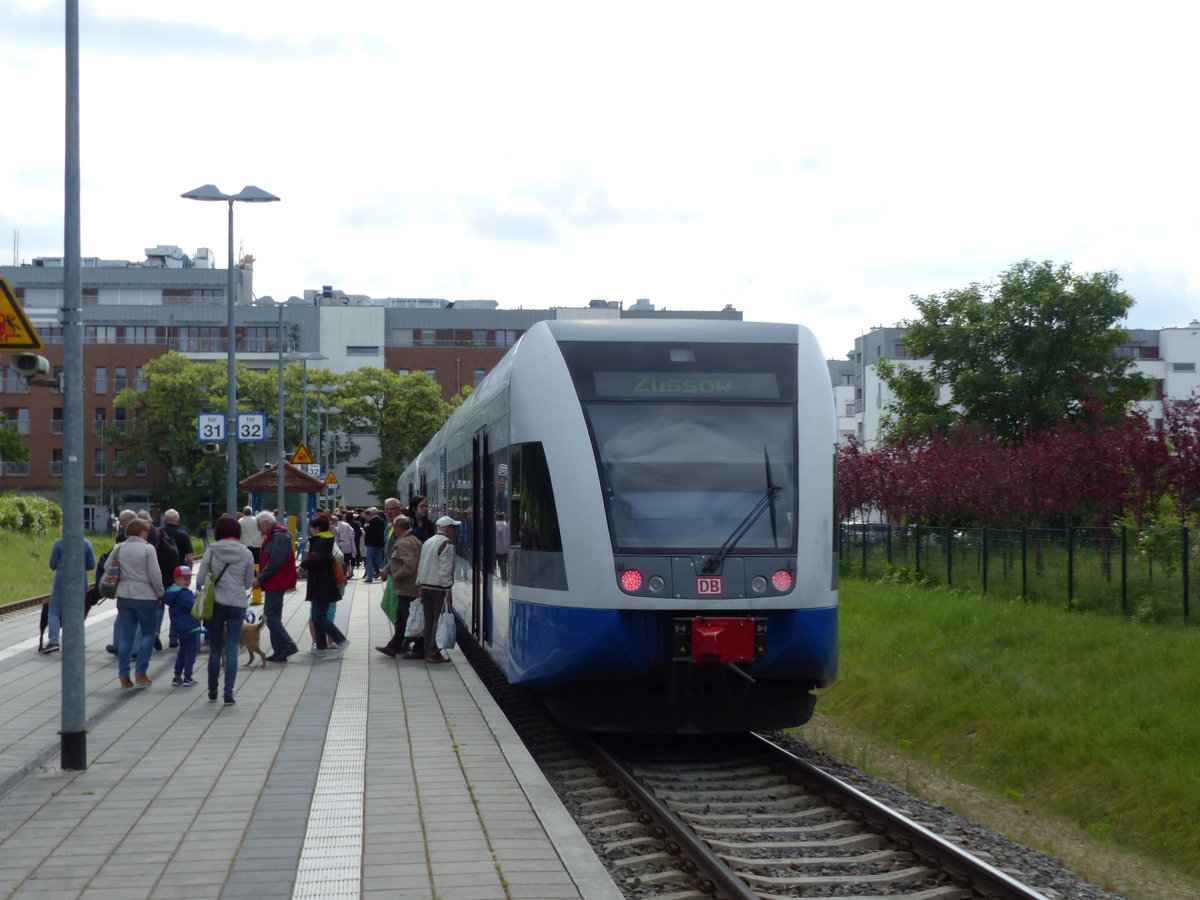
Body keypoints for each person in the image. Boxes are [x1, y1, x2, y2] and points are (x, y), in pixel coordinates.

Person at [195, 514, 256, 704]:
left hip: (216, 604)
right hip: (237, 604)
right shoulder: (246, 553)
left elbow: (199, 580)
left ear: (218, 531)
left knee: (215, 649)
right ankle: (228, 692)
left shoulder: (211, 551)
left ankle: (212, 690)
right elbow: (247, 583)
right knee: (232, 649)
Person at [112, 517, 165, 689]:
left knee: (126, 636)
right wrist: (160, 593)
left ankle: (124, 675)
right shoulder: (148, 549)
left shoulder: (119, 548)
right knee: (148, 634)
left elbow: (108, 566)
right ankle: (141, 672)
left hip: (124, 596)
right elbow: (155, 574)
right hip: (145, 597)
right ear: (142, 532)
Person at [300, 514, 350, 657]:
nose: (311, 531)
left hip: (322, 584)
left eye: (312, 528)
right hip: (320, 583)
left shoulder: (321, 541)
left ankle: (341, 640)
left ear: (317, 528)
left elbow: (316, 559)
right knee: (317, 616)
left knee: (320, 616)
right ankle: (321, 647)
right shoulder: (326, 540)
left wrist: (303, 565)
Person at [253, 511, 299, 663]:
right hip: (274, 580)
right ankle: (279, 650)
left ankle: (288, 645)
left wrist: (261, 577)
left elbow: (276, 561)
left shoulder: (278, 536)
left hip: (276, 581)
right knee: (274, 617)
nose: (259, 529)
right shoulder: (276, 535)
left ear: (266, 523)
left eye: (259, 526)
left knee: (270, 617)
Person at [44, 527, 97, 654]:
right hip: (79, 583)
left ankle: (53, 641)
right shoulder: (86, 544)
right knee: (77, 612)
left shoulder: (58, 543)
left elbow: (52, 565)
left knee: (54, 612)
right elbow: (91, 565)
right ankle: (77, 641)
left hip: (61, 582)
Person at [415, 515, 459, 664]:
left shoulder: (428, 542)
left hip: (426, 586)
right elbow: (445, 569)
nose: (455, 531)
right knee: (437, 621)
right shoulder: (446, 544)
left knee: (429, 620)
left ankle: (428, 651)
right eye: (453, 527)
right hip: (438, 587)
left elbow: (421, 565)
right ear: (446, 528)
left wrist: (420, 585)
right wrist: (448, 589)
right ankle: (433, 653)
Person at [376, 514, 421, 658]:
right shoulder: (414, 540)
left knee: (408, 618)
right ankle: (393, 647)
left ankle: (421, 648)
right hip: (408, 587)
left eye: (394, 527)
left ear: (398, 528)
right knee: (401, 618)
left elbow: (410, 565)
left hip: (407, 587)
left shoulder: (404, 543)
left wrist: (395, 574)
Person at [163, 566, 202, 686]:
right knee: (191, 652)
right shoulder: (184, 594)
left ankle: (177, 675)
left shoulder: (172, 591)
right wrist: (197, 597)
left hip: (180, 628)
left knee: (182, 652)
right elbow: (194, 606)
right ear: (176, 579)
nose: (188, 581)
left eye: (189, 578)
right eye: (185, 579)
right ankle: (188, 677)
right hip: (191, 627)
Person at [160, 509, 193, 647]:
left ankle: (155, 632)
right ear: (177, 520)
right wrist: (188, 572)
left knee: (159, 605)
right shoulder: (183, 535)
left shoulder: (159, 533)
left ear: (164, 520)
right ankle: (174, 638)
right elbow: (189, 558)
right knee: (177, 608)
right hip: (179, 576)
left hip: (162, 575)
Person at [362, 507, 386, 583]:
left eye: (369, 513)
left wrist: (365, 526)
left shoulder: (371, 521)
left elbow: (366, 529)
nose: (367, 515)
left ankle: (369, 577)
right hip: (380, 543)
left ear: (372, 514)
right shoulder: (382, 521)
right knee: (379, 560)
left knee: (369, 560)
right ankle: (387, 573)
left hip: (371, 543)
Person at [334, 513, 357, 578]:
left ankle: (347, 572)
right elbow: (352, 532)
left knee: (344, 559)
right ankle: (351, 572)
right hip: (348, 543)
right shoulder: (347, 524)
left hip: (340, 543)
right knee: (350, 557)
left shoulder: (336, 525)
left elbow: (336, 534)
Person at [494, 510, 510, 585]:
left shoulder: (496, 524)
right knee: (505, 561)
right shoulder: (506, 525)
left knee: (499, 561)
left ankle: (502, 574)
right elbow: (508, 536)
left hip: (498, 547)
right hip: (505, 547)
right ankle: (504, 575)